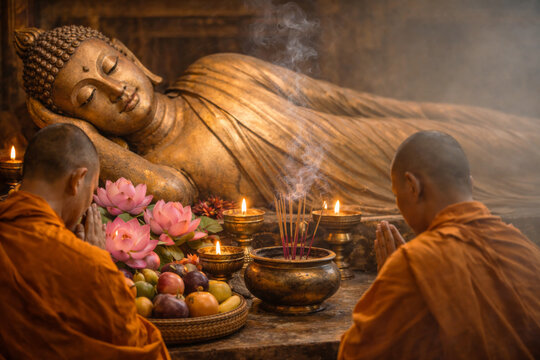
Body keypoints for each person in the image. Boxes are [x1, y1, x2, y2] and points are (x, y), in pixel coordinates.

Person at [14, 25, 540, 216]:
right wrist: (79, 138)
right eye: (88, 99)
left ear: (129, 53)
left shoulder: (215, 71)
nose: (116, 89)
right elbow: (175, 191)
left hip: (380, 142)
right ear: (85, 121)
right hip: (375, 191)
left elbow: (342, 102)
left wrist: (429, 113)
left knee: (486, 135)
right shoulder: (154, 170)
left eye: (110, 67)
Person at [338, 131, 540, 359]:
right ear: (470, 184)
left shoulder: (414, 266)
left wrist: (397, 278)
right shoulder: (524, 247)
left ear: (412, 186)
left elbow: (355, 355)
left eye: (397, 194)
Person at [0, 124, 170, 359]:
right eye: (92, 190)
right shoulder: (89, 264)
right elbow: (138, 348)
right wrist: (100, 266)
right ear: (78, 180)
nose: (88, 202)